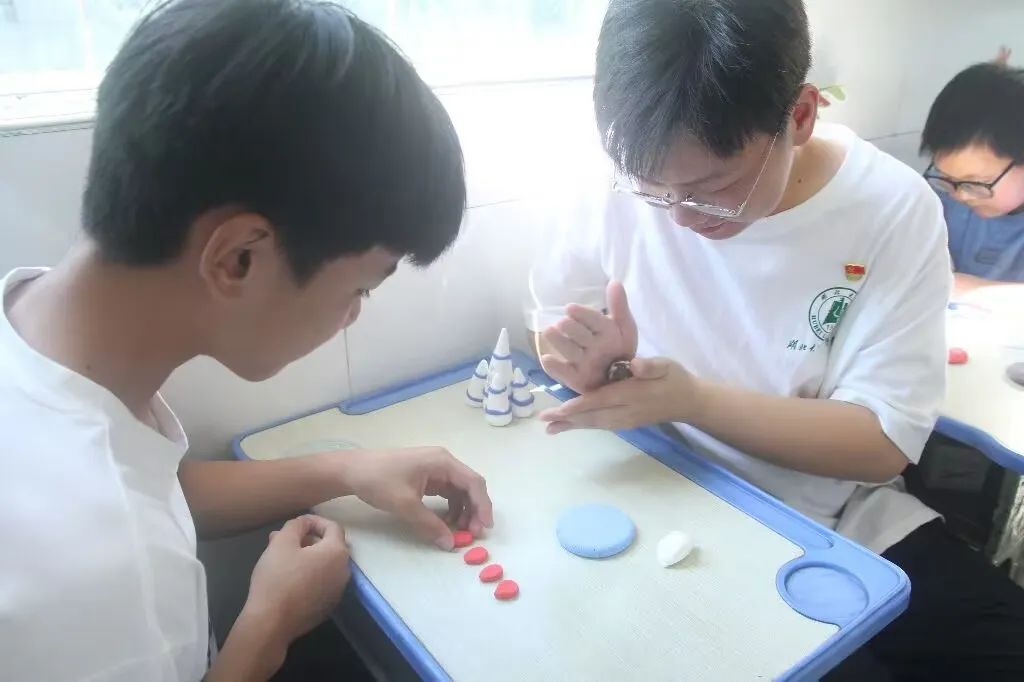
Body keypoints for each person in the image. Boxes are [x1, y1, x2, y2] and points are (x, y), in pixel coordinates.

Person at [526, 0, 1024, 679]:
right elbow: (549, 326)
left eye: (713, 189)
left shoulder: (892, 209)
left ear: (801, 115)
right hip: (655, 482)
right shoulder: (618, 172)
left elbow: (882, 441)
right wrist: (589, 371)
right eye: (652, 192)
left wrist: (693, 400)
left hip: (828, 516)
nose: (680, 218)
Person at [0, 1, 493, 680]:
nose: (353, 316)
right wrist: (269, 624)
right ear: (238, 259)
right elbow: (116, 523)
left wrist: (347, 469)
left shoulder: (34, 331)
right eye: (360, 288)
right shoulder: (111, 577)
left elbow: (152, 486)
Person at [921, 56, 1024, 296]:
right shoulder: (940, 194)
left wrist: (973, 288)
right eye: (946, 178)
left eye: (976, 183)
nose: (960, 196)